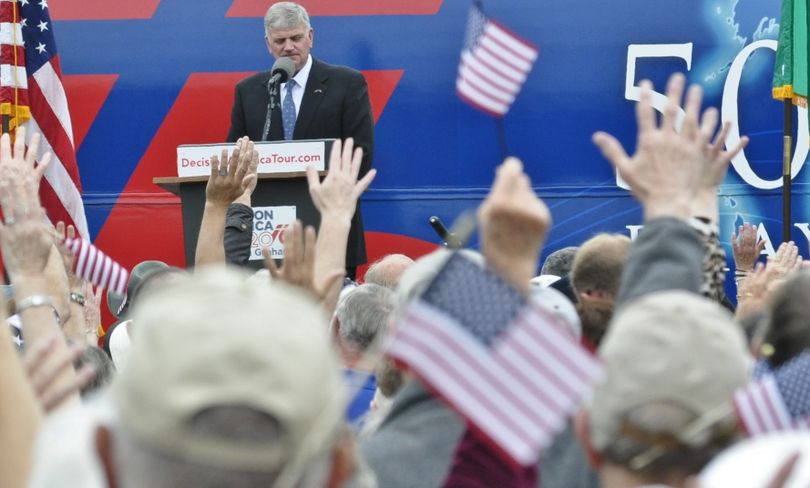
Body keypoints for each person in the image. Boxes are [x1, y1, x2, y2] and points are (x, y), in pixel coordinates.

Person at [227, 1, 374, 279]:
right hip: (266, 237)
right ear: (268, 43)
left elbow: (361, 156)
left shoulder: (346, 83)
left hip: (328, 229)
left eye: (296, 38)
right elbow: (237, 155)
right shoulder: (249, 91)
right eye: (280, 40)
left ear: (310, 37)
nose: (288, 46)